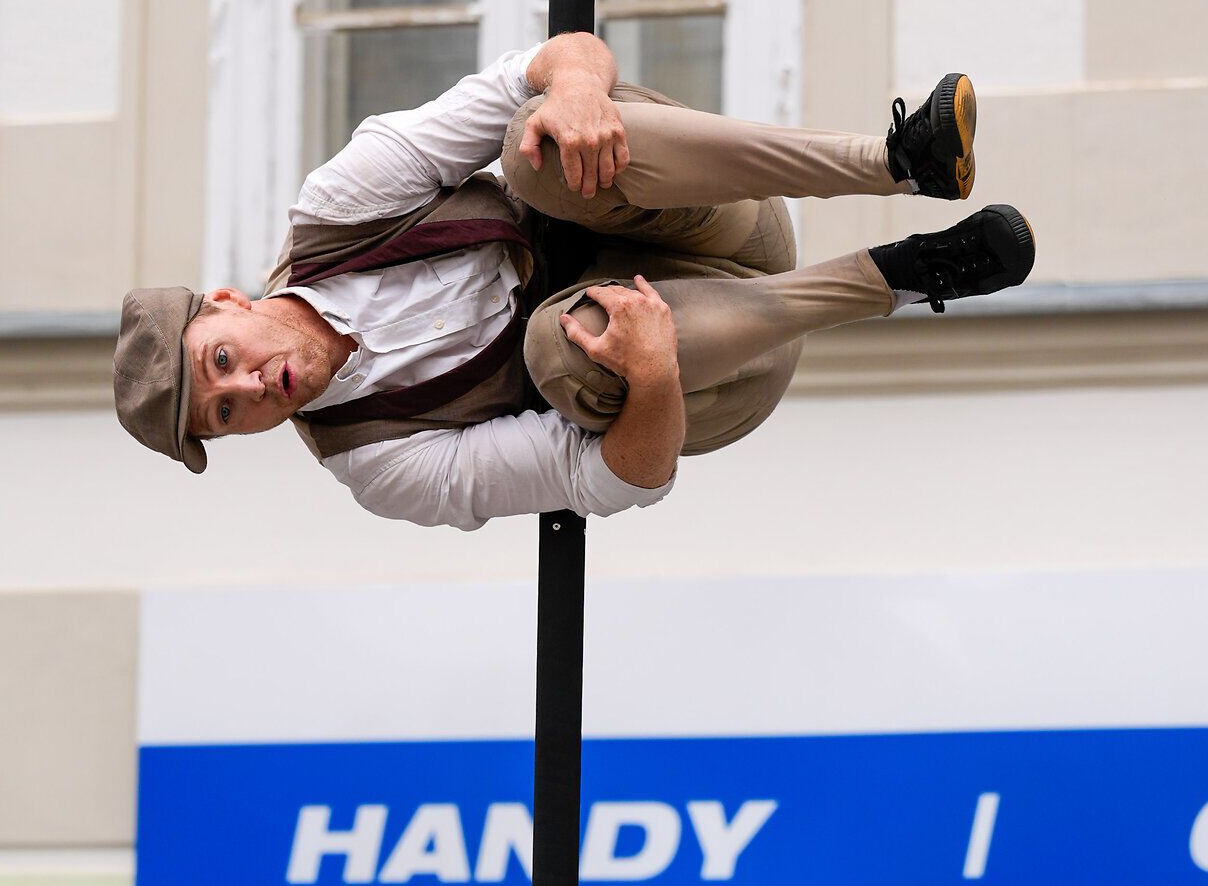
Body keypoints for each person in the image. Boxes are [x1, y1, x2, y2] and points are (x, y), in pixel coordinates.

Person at [113, 35, 1034, 529]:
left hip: (708, 213)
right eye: (225, 414)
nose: (245, 389)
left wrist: (579, 90)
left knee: (538, 144)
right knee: (568, 342)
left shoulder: (341, 207)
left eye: (221, 361)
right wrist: (655, 369)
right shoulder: (377, 461)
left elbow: (550, 59)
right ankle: (901, 276)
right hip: (723, 362)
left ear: (228, 301)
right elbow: (622, 480)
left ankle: (896, 161)